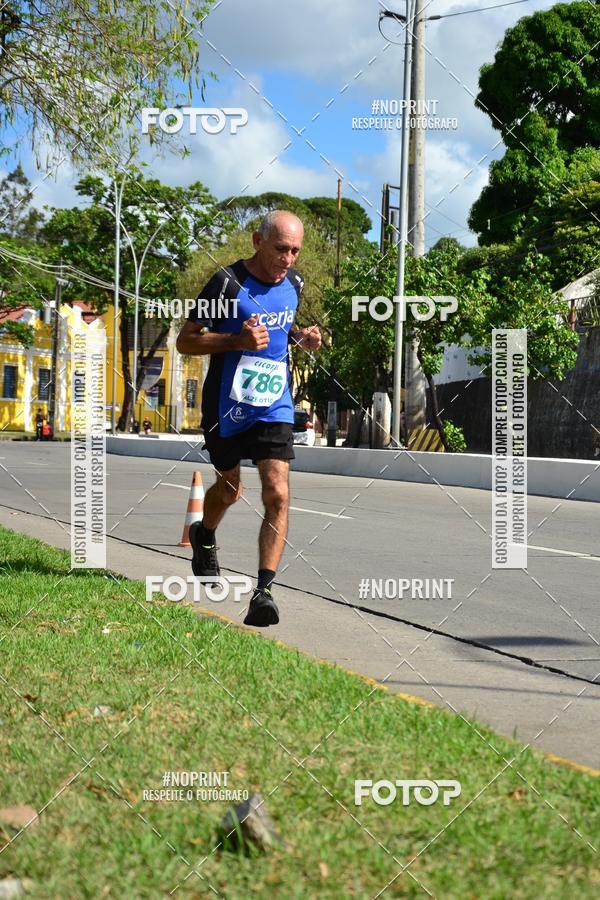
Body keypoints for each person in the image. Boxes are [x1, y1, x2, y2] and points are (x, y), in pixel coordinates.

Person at [176, 210, 321, 627]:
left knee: (277, 493)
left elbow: (283, 330)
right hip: (227, 405)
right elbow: (186, 340)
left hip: (274, 404)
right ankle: (205, 533)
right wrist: (236, 339)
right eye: (280, 249)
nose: (288, 259)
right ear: (258, 242)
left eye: (295, 250)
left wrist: (302, 338)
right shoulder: (225, 283)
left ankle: (264, 592)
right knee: (229, 489)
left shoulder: (294, 283)